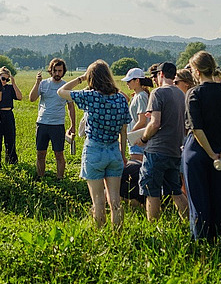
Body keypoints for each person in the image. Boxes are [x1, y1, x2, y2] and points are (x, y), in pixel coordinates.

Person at [57, 60, 131, 228]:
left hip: (94, 150)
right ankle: (117, 235)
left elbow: (62, 91)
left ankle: (99, 234)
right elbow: (124, 131)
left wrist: (81, 79)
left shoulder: (91, 96)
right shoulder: (121, 98)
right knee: (115, 200)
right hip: (114, 151)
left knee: (98, 201)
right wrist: (122, 154)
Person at [183, 51, 221, 241]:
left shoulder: (194, 93)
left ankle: (202, 240)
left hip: (198, 152)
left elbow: (197, 129)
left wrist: (210, 152)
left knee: (198, 200)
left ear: (197, 71)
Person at [135, 62, 189, 221]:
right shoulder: (181, 94)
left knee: (151, 191)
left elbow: (155, 123)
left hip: (156, 150)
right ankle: (191, 223)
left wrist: (144, 138)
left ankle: (153, 227)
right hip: (175, 150)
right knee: (176, 191)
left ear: (161, 74)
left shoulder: (158, 93)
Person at [29, 58, 76, 179]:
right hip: (42, 123)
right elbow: (32, 98)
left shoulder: (65, 86)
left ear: (63, 71)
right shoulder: (43, 84)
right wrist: (37, 83)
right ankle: (41, 177)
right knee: (40, 153)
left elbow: (71, 106)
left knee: (59, 154)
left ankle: (60, 178)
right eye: (55, 71)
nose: (57, 74)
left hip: (58, 125)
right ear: (51, 71)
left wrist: (73, 125)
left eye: (60, 71)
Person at [120, 68, 153, 207]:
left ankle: (139, 199)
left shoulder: (141, 97)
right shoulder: (139, 95)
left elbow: (142, 121)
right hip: (135, 138)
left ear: (137, 81)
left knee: (136, 172)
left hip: (136, 139)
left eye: (129, 81)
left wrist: (129, 135)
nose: (127, 83)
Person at [0, 66, 23, 169]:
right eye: (3, 78)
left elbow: (19, 97)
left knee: (10, 139)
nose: (5, 81)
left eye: (7, 79)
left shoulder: (9, 88)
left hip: (8, 115)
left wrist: (13, 83)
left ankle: (12, 161)